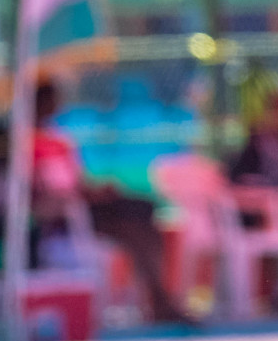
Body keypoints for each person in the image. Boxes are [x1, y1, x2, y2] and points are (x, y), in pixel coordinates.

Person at [29, 80, 191, 325]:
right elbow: (47, 190)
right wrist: (82, 196)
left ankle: (160, 299)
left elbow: (76, 181)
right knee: (136, 228)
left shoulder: (58, 140)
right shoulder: (26, 142)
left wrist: (97, 190)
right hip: (64, 216)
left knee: (144, 214)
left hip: (81, 205)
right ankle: (160, 302)